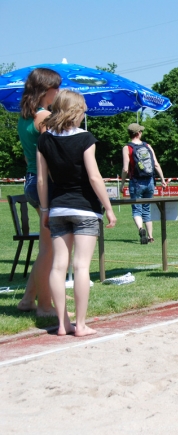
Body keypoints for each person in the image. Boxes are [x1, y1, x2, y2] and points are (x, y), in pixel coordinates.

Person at [36, 90, 117, 336]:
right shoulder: (85, 138)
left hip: (58, 207)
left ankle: (63, 324)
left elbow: (41, 180)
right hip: (85, 209)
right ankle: (80, 325)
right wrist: (109, 208)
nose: (84, 113)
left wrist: (44, 210)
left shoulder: (45, 139)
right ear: (75, 110)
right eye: (82, 109)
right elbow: (94, 176)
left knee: (58, 267)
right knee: (81, 267)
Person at [16, 67, 61, 316]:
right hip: (46, 183)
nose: (59, 92)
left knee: (46, 246)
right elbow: (50, 156)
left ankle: (27, 300)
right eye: (56, 87)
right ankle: (45, 306)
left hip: (31, 180)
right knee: (49, 250)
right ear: (46, 90)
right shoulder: (44, 117)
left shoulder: (25, 116)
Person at [121, 123, 167, 244]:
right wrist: (162, 179)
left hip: (136, 182)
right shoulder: (147, 146)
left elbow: (125, 169)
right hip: (150, 181)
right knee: (147, 209)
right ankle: (151, 236)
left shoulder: (127, 148)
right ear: (138, 133)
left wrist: (121, 184)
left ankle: (141, 229)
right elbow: (156, 164)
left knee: (137, 210)